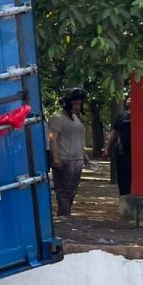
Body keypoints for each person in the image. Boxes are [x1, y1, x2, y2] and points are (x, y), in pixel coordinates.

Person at [48, 87, 90, 216]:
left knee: (72, 191)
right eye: (75, 103)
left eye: (80, 103)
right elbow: (52, 139)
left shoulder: (76, 119)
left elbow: (78, 139)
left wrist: (84, 154)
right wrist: (55, 158)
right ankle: (64, 216)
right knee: (63, 191)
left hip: (76, 160)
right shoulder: (57, 118)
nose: (78, 106)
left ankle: (66, 214)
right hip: (64, 159)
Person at [103, 96, 132, 197]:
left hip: (140, 154)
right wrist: (107, 149)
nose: (130, 99)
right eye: (128, 97)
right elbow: (114, 133)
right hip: (122, 152)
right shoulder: (121, 117)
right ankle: (124, 199)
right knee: (123, 180)